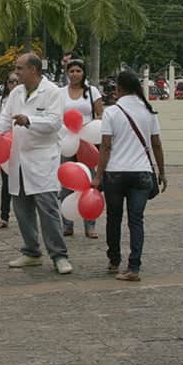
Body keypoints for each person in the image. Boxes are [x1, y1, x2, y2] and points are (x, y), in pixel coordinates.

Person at [0, 53, 72, 275]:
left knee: (47, 209)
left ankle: (59, 255)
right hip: (17, 158)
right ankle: (31, 252)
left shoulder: (52, 92)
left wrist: (29, 120)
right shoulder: (16, 93)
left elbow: (55, 122)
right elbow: (4, 120)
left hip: (42, 160)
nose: (16, 72)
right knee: (21, 208)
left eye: (20, 68)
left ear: (34, 70)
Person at [92, 70, 166, 281]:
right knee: (136, 220)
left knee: (113, 219)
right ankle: (134, 267)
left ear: (121, 89)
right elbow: (157, 144)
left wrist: (98, 176)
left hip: (115, 173)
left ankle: (114, 260)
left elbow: (105, 147)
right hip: (141, 173)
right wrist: (162, 172)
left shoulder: (112, 112)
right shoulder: (148, 111)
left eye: (116, 87)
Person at [59, 57, 103, 238]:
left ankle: (90, 224)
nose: (75, 74)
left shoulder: (92, 91)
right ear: (67, 73)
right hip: (67, 143)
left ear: (83, 73)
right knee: (67, 182)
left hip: (87, 143)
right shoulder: (60, 93)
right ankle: (67, 224)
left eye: (78, 71)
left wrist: (88, 128)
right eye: (71, 71)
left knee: (90, 181)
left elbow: (100, 114)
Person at [0, 72, 20, 229]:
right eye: (11, 81)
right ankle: (4, 217)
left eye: (17, 81)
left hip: (21, 143)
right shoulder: (1, 100)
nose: (14, 84)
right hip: (5, 144)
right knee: (6, 183)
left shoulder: (25, 99)